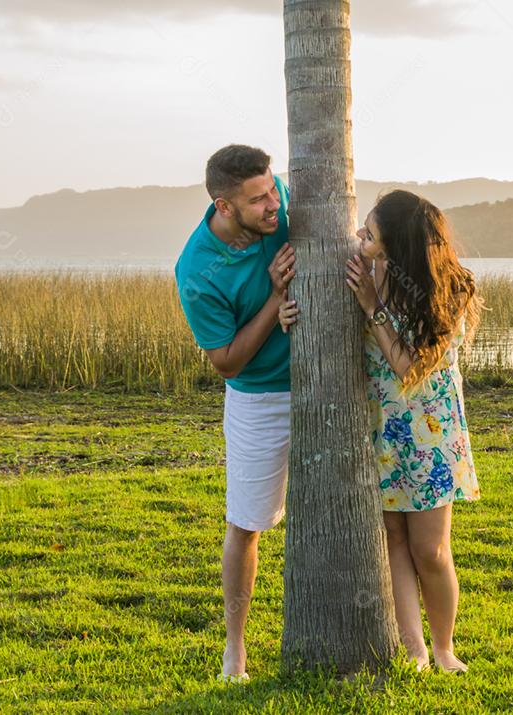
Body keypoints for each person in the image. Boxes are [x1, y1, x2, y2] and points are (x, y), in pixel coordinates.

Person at [279, 189, 482, 673]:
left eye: (370, 233)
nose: (359, 238)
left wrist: (372, 305)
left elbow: (407, 366)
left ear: (398, 242)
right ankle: (412, 651)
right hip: (383, 427)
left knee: (429, 550)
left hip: (431, 432)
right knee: (393, 538)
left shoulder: (451, 288)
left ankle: (444, 648)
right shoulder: (366, 266)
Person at [174, 144, 295, 684]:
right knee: (246, 524)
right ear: (224, 207)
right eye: (259, 199)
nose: (275, 204)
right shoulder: (197, 269)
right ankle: (236, 648)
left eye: (273, 189)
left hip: (332, 386)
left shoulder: (282, 203)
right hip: (259, 399)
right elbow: (226, 362)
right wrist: (275, 299)